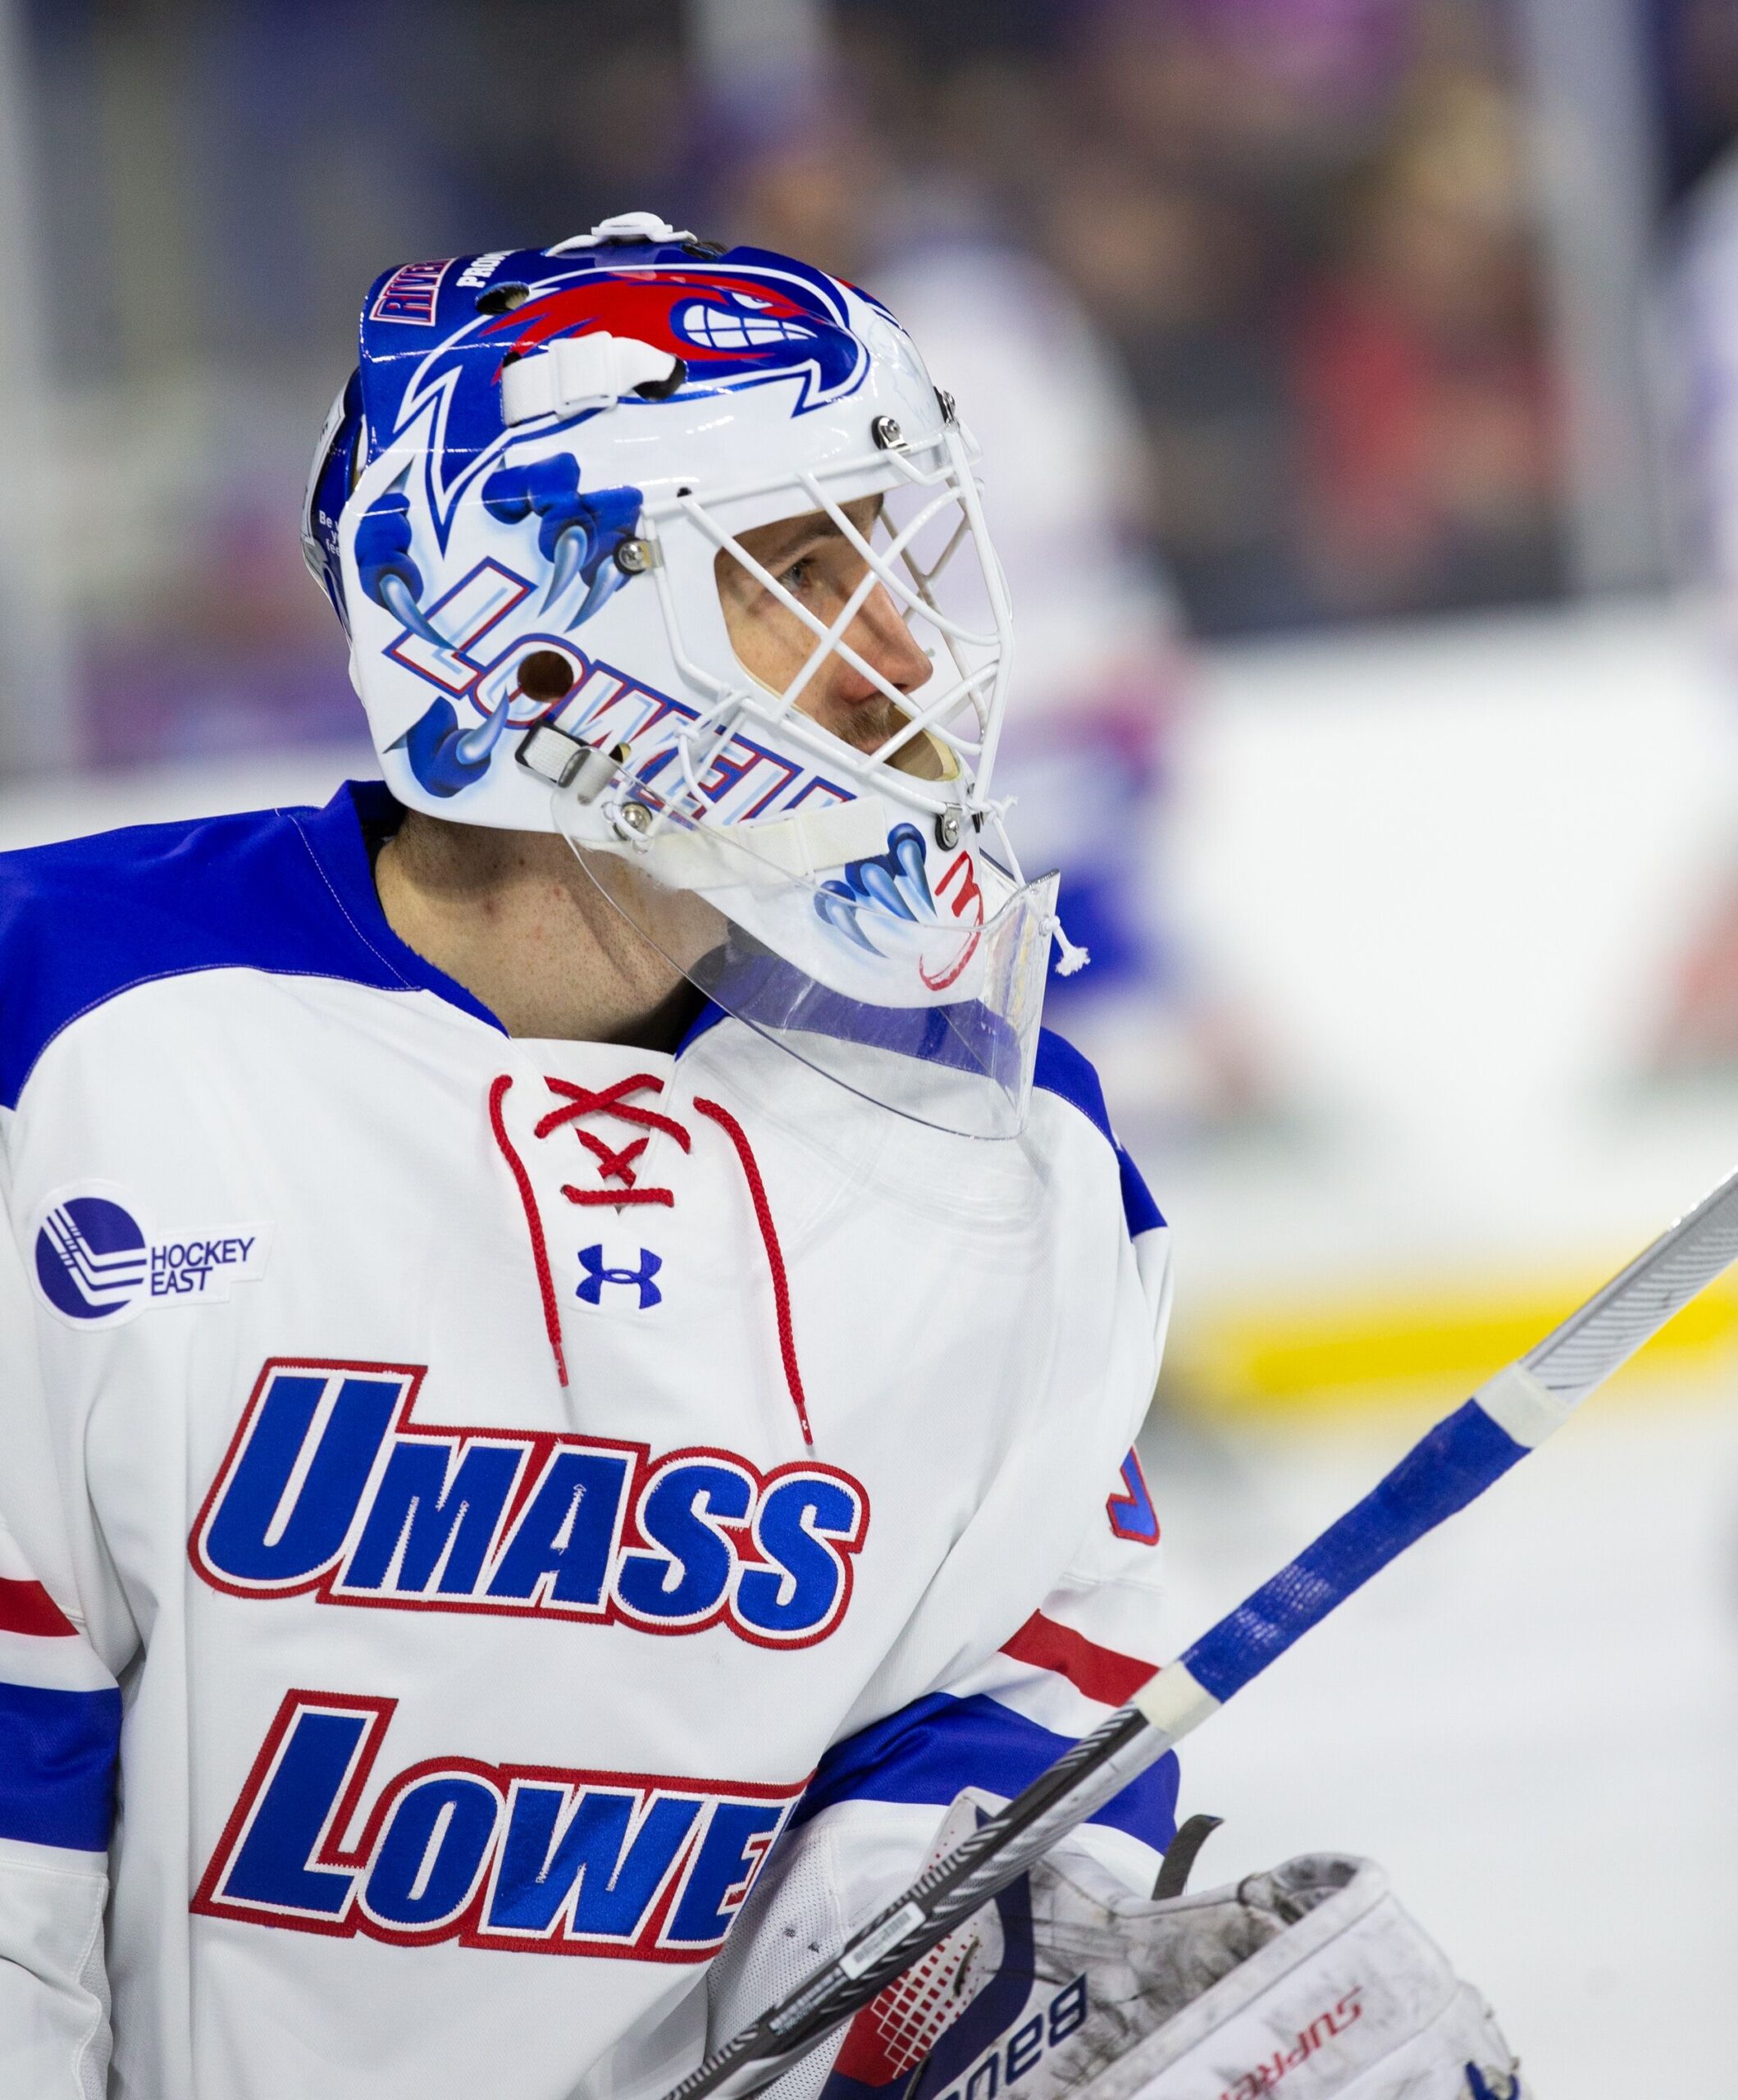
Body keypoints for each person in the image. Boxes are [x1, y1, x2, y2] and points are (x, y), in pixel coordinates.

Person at [0, 213, 1175, 2099]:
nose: (903, 657)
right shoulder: (61, 1042)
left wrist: (941, 2024)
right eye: (798, 571)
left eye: (899, 555)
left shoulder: (1004, 1137)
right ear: (536, 645)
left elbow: (997, 1709)